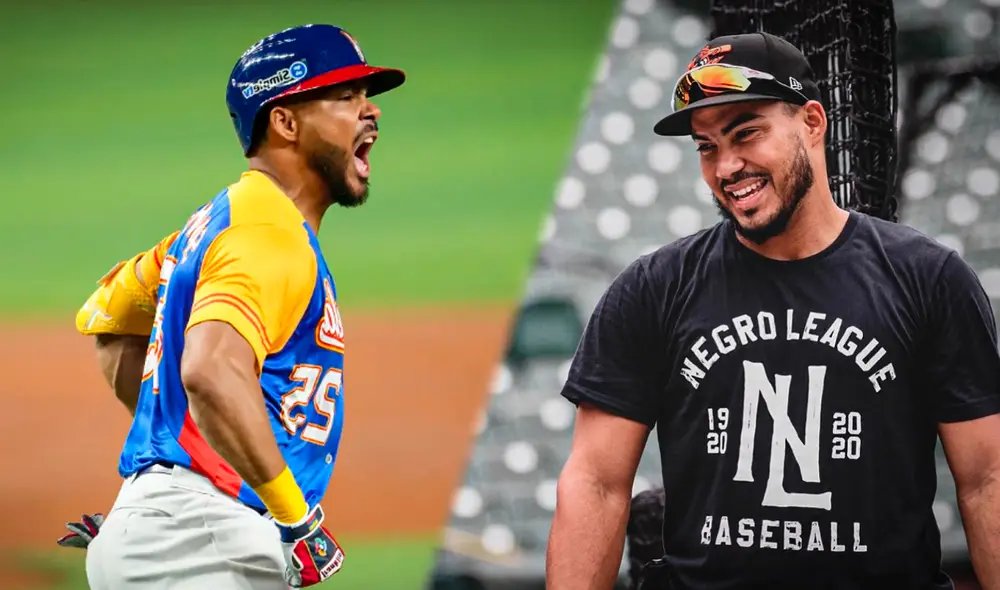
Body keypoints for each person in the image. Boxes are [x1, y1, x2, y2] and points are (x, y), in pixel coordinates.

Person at [546, 32, 1000, 590]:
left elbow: (987, 480)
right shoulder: (652, 288)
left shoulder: (928, 279)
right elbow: (596, 481)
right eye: (707, 146)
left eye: (746, 133)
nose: (727, 166)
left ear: (811, 122)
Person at [57, 23, 406, 589]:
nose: (371, 112)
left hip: (186, 531)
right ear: (285, 122)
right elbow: (209, 370)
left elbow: (109, 316)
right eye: (345, 97)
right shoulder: (266, 233)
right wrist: (296, 519)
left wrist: (164, 480)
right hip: (200, 537)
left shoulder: (216, 225)